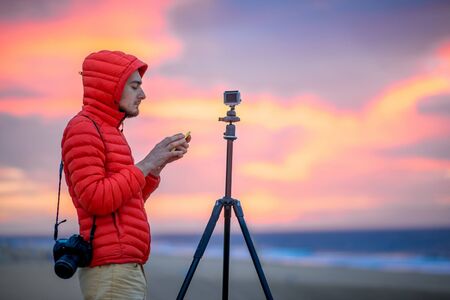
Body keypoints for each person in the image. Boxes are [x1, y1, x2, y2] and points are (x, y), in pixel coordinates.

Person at [61, 50, 190, 299]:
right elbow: (95, 199)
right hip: (111, 271)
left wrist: (155, 167)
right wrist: (147, 162)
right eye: (134, 86)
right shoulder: (84, 129)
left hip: (122, 267)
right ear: (112, 87)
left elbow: (125, 201)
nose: (143, 94)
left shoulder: (109, 131)